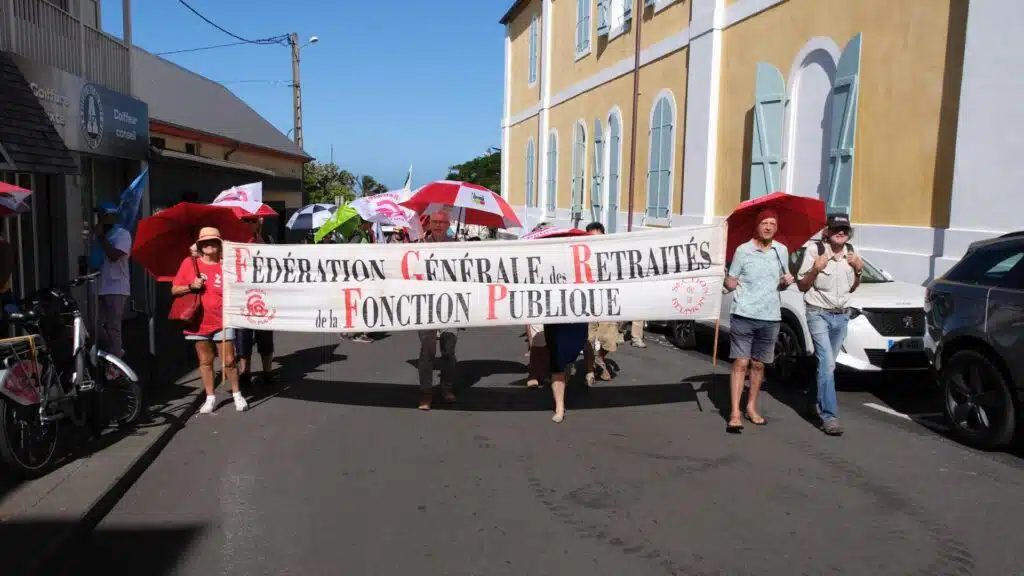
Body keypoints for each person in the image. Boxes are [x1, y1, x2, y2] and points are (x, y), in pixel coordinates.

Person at [723, 208, 794, 432]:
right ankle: (735, 411)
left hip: (770, 316)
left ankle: (751, 407)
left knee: (758, 364)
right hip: (743, 313)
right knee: (740, 363)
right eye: (765, 223)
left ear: (777, 228)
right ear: (757, 225)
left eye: (773, 224)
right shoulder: (743, 250)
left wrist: (787, 281)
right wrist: (726, 280)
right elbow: (730, 282)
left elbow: (782, 283)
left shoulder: (781, 251)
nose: (768, 227)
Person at [797, 213, 864, 436]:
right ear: (828, 231)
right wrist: (816, 268)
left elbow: (852, 287)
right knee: (827, 363)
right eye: (837, 229)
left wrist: (859, 269)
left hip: (842, 315)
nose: (841, 233)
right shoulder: (814, 251)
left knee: (826, 363)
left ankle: (810, 402)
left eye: (844, 229)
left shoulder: (852, 253)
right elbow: (802, 286)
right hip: (818, 313)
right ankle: (829, 416)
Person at [171, 227, 248, 414]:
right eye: (205, 242)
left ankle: (237, 394)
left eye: (213, 241)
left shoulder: (227, 265)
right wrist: (191, 286)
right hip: (197, 321)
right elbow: (174, 290)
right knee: (205, 360)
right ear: (199, 245)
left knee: (229, 360)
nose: (209, 245)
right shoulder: (190, 264)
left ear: (220, 245)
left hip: (223, 320)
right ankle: (210, 397)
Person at [417, 210, 459, 410]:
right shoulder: (418, 247)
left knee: (449, 350)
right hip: (425, 306)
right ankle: (426, 393)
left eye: (442, 222)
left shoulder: (458, 246)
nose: (438, 225)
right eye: (434, 222)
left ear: (448, 224)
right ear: (429, 224)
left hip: (451, 306)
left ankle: (447, 387)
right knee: (427, 351)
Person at [235, 217, 276, 387]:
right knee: (243, 340)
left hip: (264, 299)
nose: (249, 223)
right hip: (242, 299)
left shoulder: (267, 240)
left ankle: (268, 372)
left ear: (259, 222)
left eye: (253, 220)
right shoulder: (233, 242)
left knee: (265, 339)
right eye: (246, 220)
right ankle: (245, 372)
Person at [582, 222, 620, 385]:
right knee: (589, 339)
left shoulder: (610, 255)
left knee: (610, 339)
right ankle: (590, 372)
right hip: (587, 302)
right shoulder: (581, 256)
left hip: (606, 301)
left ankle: (599, 358)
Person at [94, 201, 132, 358]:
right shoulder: (98, 234)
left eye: (106, 216)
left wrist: (102, 237)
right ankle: (111, 352)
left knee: (113, 327)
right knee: (95, 326)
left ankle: (115, 360)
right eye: (101, 216)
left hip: (117, 287)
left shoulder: (122, 234)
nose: (103, 219)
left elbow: (114, 255)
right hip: (99, 285)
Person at [341, 219, 375, 343]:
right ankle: (359, 334)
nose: (371, 225)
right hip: (359, 274)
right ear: (363, 224)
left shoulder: (363, 234)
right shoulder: (358, 235)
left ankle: (349, 330)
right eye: (369, 223)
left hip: (361, 273)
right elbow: (352, 252)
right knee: (362, 302)